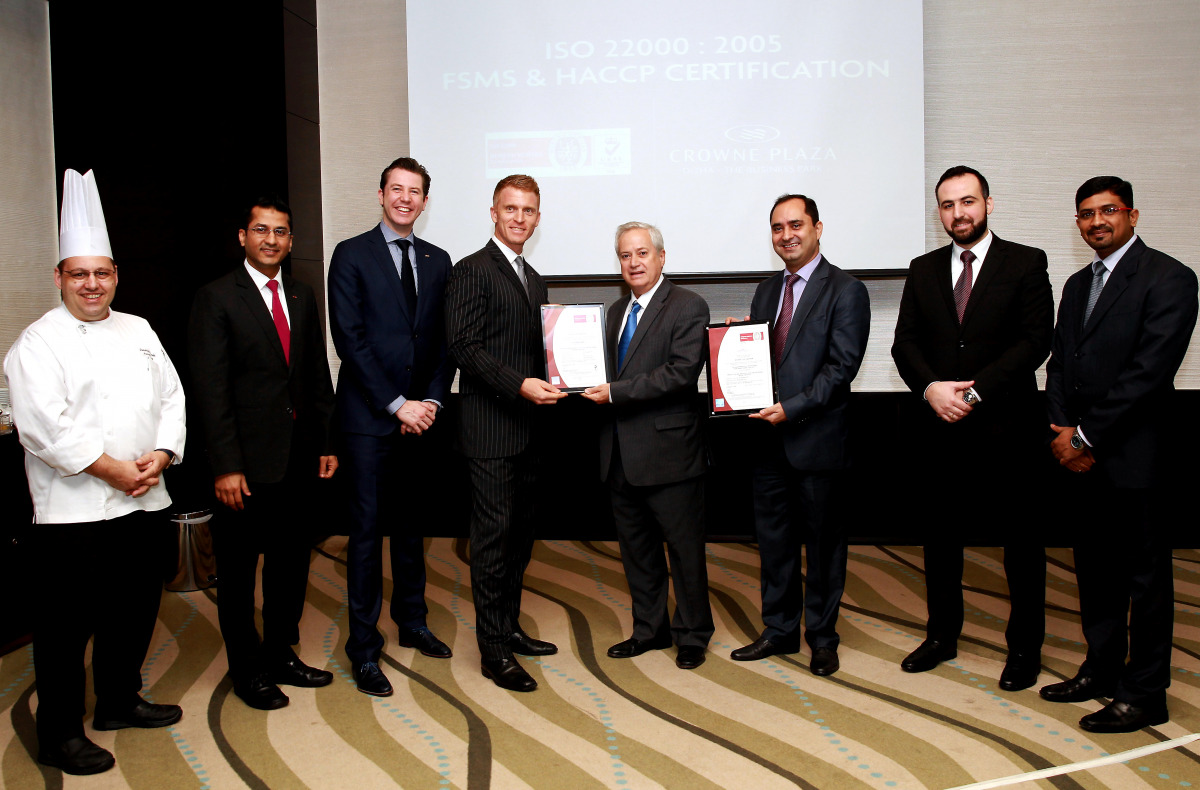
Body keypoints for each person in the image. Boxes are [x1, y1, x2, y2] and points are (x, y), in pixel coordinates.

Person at [4, 169, 186, 775]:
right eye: (78, 273)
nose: (91, 284)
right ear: (59, 277)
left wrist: (160, 456)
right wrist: (112, 471)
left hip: (144, 498)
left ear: (116, 276)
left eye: (101, 273)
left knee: (133, 610)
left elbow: (172, 398)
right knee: (64, 628)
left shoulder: (139, 329)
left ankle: (118, 700)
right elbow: (44, 427)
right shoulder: (37, 342)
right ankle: (58, 733)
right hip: (73, 513)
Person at [1040, 176, 1197, 732]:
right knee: (1095, 572)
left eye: (1108, 211)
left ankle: (1146, 691)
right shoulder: (1078, 284)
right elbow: (1060, 362)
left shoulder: (1171, 278)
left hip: (1136, 457)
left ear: (1132, 214)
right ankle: (1101, 670)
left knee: (1145, 581)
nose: (1096, 221)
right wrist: (1062, 430)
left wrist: (1084, 437)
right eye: (1086, 214)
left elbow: (1148, 375)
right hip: (1080, 458)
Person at [891, 166, 1053, 688]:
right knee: (941, 542)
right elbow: (904, 344)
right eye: (946, 205)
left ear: (987, 202)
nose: (957, 213)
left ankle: (1025, 649)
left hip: (1009, 428)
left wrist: (975, 391)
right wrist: (933, 389)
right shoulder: (922, 269)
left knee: (1022, 546)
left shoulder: (1026, 262)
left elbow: (1035, 342)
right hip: (940, 426)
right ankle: (941, 636)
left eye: (967, 202)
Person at [188, 196, 338, 710]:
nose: (270, 239)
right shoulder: (217, 298)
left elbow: (316, 375)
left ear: (291, 240)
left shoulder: (300, 295)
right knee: (237, 574)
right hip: (245, 470)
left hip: (297, 462)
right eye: (261, 230)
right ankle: (247, 669)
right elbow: (210, 390)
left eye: (280, 232)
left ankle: (281, 654)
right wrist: (225, 465)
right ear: (243, 236)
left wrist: (325, 443)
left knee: (290, 566)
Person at [328, 157, 455, 696]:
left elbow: (443, 340)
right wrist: (395, 404)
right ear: (380, 194)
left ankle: (412, 621)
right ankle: (363, 648)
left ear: (425, 202)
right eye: (396, 189)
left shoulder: (438, 259)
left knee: (410, 528)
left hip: (419, 420)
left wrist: (427, 401)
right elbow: (349, 341)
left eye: (416, 192)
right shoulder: (350, 254)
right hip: (368, 422)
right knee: (364, 537)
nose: (406, 199)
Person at [729, 194, 870, 677]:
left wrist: (792, 408)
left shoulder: (847, 290)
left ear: (818, 227)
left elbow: (841, 368)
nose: (786, 235)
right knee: (774, 544)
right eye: (776, 227)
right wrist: (734, 342)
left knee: (825, 548)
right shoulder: (766, 291)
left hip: (817, 441)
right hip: (767, 444)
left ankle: (823, 638)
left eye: (795, 225)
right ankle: (779, 630)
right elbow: (762, 358)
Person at [445, 174, 566, 692]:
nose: (520, 218)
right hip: (490, 431)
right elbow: (464, 348)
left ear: (538, 218)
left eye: (529, 210)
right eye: (511, 209)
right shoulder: (471, 271)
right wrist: (520, 385)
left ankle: (509, 628)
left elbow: (536, 348)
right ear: (493, 212)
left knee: (520, 539)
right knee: (492, 543)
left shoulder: (534, 279)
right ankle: (492, 650)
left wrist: (563, 378)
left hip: (530, 431)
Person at [581, 222, 714, 669]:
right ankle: (649, 630)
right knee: (636, 550)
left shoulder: (689, 306)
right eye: (625, 256)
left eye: (641, 254)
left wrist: (614, 393)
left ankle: (693, 633)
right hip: (618, 453)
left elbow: (679, 373)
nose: (633, 263)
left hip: (670, 454)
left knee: (684, 550)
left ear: (661, 257)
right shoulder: (616, 312)